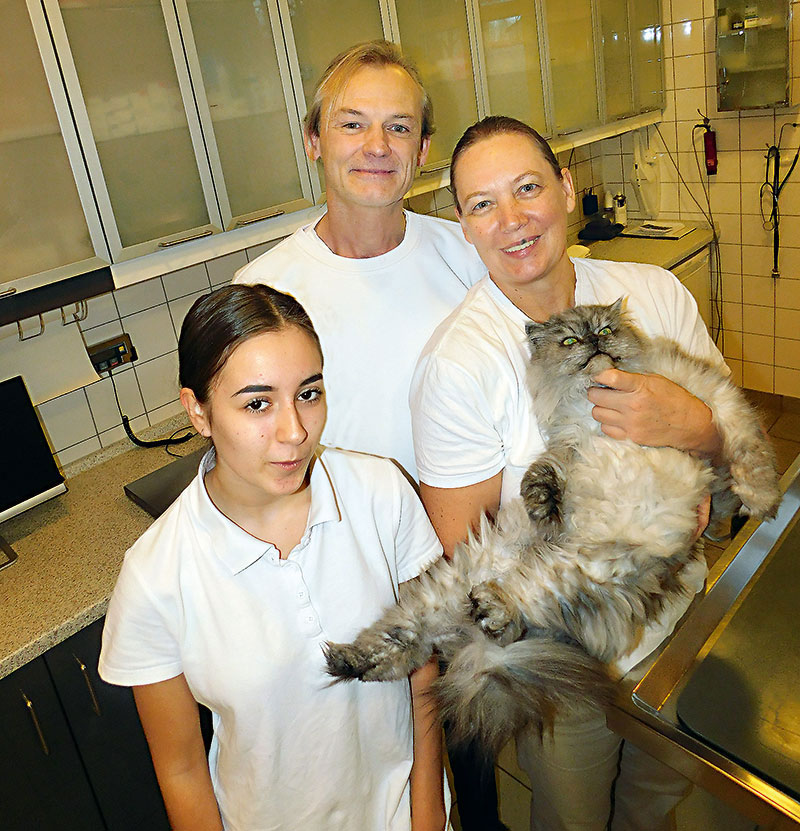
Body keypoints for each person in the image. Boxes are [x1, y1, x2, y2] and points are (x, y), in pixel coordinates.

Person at [410, 116, 727, 831]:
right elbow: (470, 559)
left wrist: (693, 425)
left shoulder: (655, 294)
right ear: (463, 225)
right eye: (482, 203)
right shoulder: (459, 365)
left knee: (655, 800)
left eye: (527, 188)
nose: (512, 219)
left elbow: (728, 454)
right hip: (562, 670)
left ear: (565, 186)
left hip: (680, 621)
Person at [233, 40, 501, 830]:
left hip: (464, 570)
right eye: (352, 124)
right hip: (343, 586)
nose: (375, 148)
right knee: (375, 780)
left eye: (397, 128)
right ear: (314, 138)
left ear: (423, 149)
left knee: (472, 772)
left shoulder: (466, 256)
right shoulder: (264, 288)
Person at [98, 284, 448, 831]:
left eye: (308, 393)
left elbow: (423, 676)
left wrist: (429, 817)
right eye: (257, 403)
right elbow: (182, 769)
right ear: (199, 411)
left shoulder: (381, 494)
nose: (295, 431)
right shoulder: (156, 576)